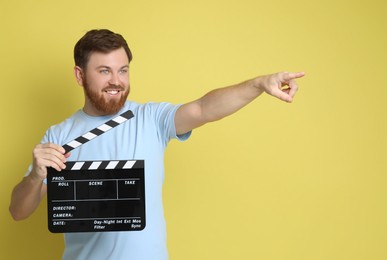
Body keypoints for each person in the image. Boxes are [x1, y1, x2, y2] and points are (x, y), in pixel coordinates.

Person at [9, 29, 305, 259]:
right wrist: (36, 176)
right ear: (79, 75)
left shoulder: (149, 118)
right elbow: (18, 211)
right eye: (104, 71)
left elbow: (203, 109)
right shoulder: (59, 135)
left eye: (123, 70)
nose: (116, 80)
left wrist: (257, 85)